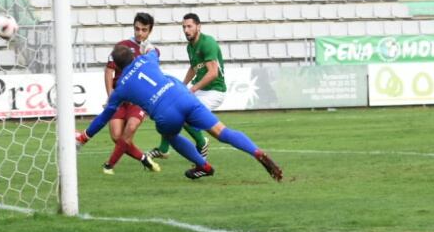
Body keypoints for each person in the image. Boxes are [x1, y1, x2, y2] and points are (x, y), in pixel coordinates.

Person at [79, 45, 282, 182]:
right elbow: (156, 51)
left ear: (116, 66)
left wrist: (86, 136)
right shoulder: (148, 59)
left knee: (171, 136)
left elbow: (105, 116)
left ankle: (203, 165)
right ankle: (256, 151)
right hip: (183, 96)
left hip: (164, 113)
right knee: (222, 131)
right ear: (134, 56)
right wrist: (150, 47)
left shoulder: (121, 86)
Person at [148, 13, 224, 162]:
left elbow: (213, 73)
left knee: (183, 114)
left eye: (189, 26)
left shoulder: (207, 43)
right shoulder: (190, 46)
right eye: (184, 27)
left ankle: (202, 142)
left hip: (214, 91)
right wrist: (182, 86)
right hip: (201, 90)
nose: (186, 30)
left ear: (198, 26)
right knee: (171, 108)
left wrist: (193, 88)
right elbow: (194, 68)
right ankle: (164, 149)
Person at [99, 13, 162, 175]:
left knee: (130, 128)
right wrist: (111, 95)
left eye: (144, 30)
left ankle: (109, 165)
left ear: (150, 31)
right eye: (137, 29)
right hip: (120, 98)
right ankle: (144, 158)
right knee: (116, 136)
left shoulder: (152, 52)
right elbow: (109, 71)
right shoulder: (122, 46)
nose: (139, 33)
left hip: (138, 101)